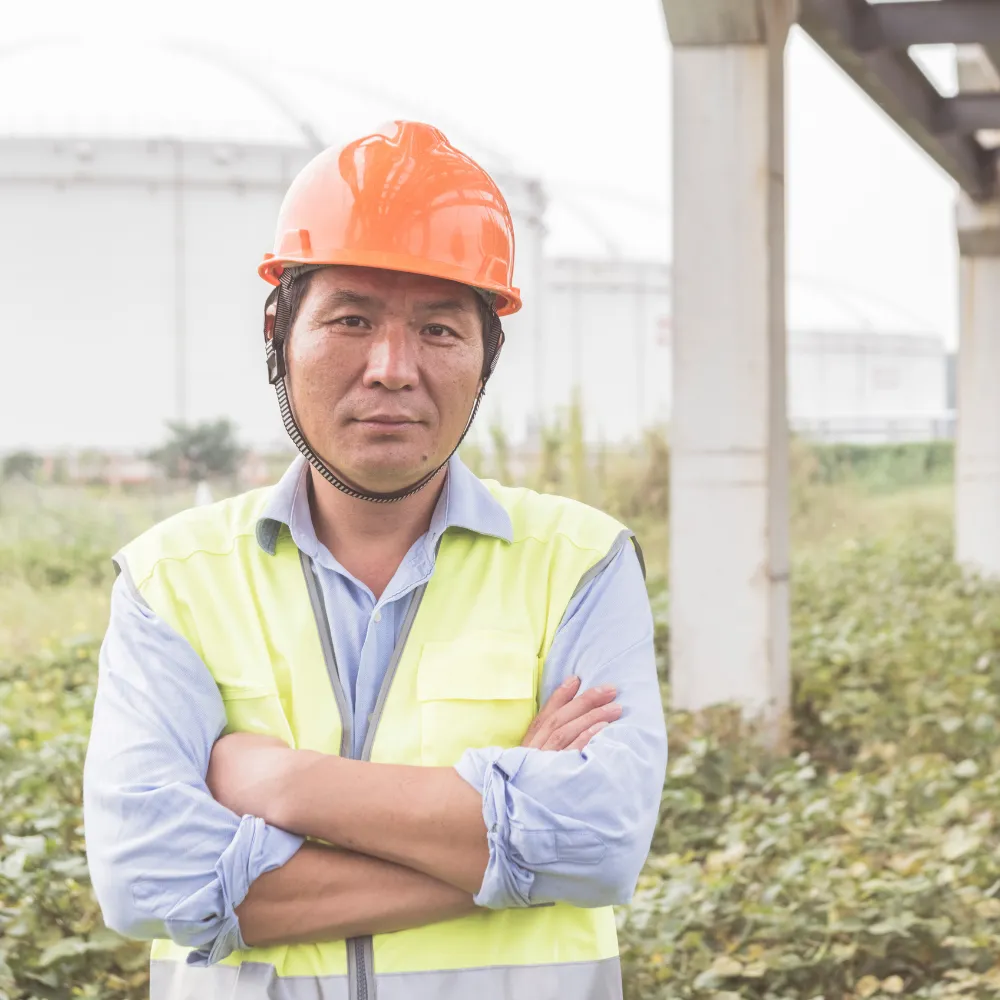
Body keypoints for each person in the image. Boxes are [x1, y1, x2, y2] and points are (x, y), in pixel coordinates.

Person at [83, 120, 668, 1000]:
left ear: (486, 358)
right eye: (351, 320)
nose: (392, 368)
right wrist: (507, 856)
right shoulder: (173, 580)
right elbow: (148, 878)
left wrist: (282, 783)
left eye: (439, 329)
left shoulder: (581, 564)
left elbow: (600, 841)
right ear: (279, 335)